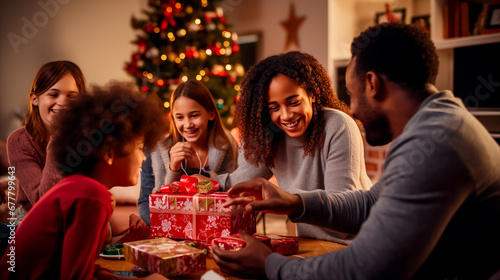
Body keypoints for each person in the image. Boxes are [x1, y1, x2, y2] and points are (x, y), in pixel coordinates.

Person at [211, 23, 500, 279]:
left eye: (350, 94)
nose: (354, 110)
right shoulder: (436, 126)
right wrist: (294, 202)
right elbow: (367, 204)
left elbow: (364, 268)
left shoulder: (437, 143)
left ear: (372, 84)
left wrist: (271, 266)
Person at [0, 81, 168, 279]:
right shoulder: (90, 196)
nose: (144, 157)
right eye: (140, 148)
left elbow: (84, 266)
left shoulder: (84, 188)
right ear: (109, 152)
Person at [199, 51, 371, 244]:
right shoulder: (270, 133)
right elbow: (238, 181)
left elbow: (342, 209)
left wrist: (291, 201)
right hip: (309, 242)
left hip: (355, 243)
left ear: (312, 94)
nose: (286, 115)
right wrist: (202, 182)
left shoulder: (338, 125)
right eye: (274, 107)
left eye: (294, 102)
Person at [138, 80, 238, 225]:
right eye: (180, 117)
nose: (187, 124)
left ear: (210, 114)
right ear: (173, 118)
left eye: (194, 115)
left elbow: (230, 191)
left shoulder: (227, 143)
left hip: (211, 224)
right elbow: (148, 202)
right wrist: (174, 168)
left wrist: (205, 181)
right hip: (170, 226)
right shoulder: (156, 148)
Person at [6, 61, 85, 224]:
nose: (63, 102)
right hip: (33, 216)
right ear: (34, 99)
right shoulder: (19, 141)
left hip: (74, 210)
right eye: (53, 94)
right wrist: (58, 143)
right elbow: (44, 204)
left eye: (71, 96)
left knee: (106, 231)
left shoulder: (85, 136)